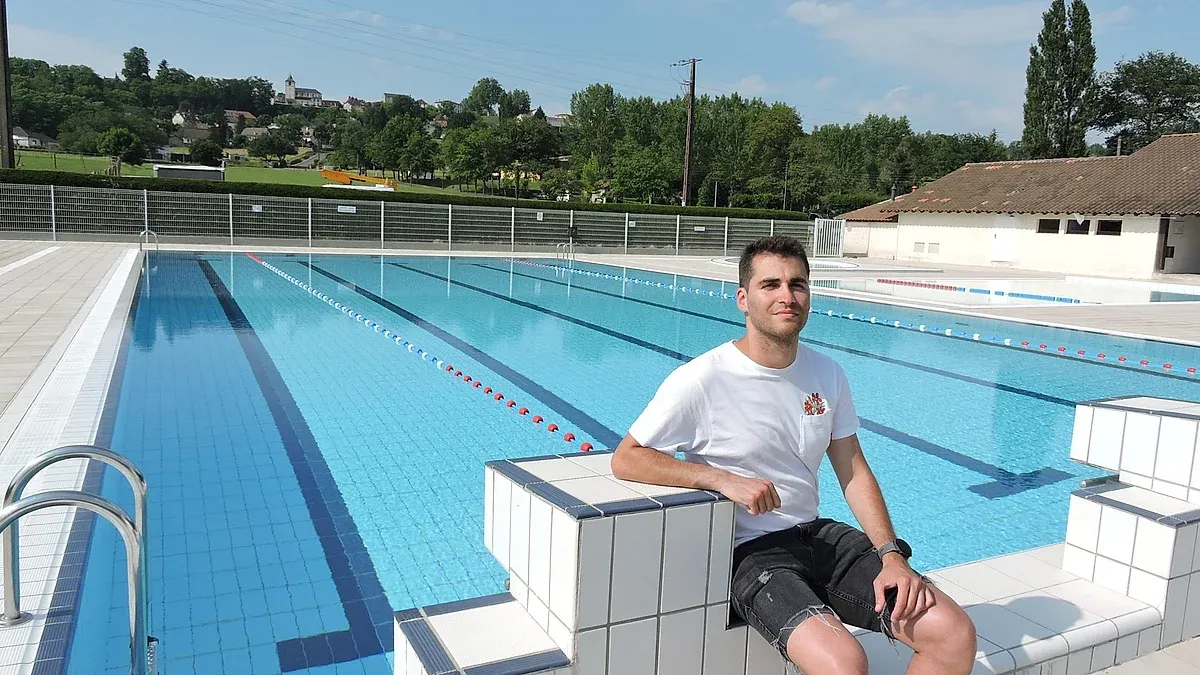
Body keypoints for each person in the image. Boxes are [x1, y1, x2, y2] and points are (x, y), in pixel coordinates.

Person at [611, 236, 977, 675]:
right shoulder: (701, 380)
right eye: (771, 285)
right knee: (845, 663)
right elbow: (627, 457)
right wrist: (723, 480)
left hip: (819, 538)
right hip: (751, 552)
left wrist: (891, 555)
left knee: (954, 635)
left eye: (797, 284)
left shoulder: (828, 373)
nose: (787, 295)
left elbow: (853, 470)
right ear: (743, 300)